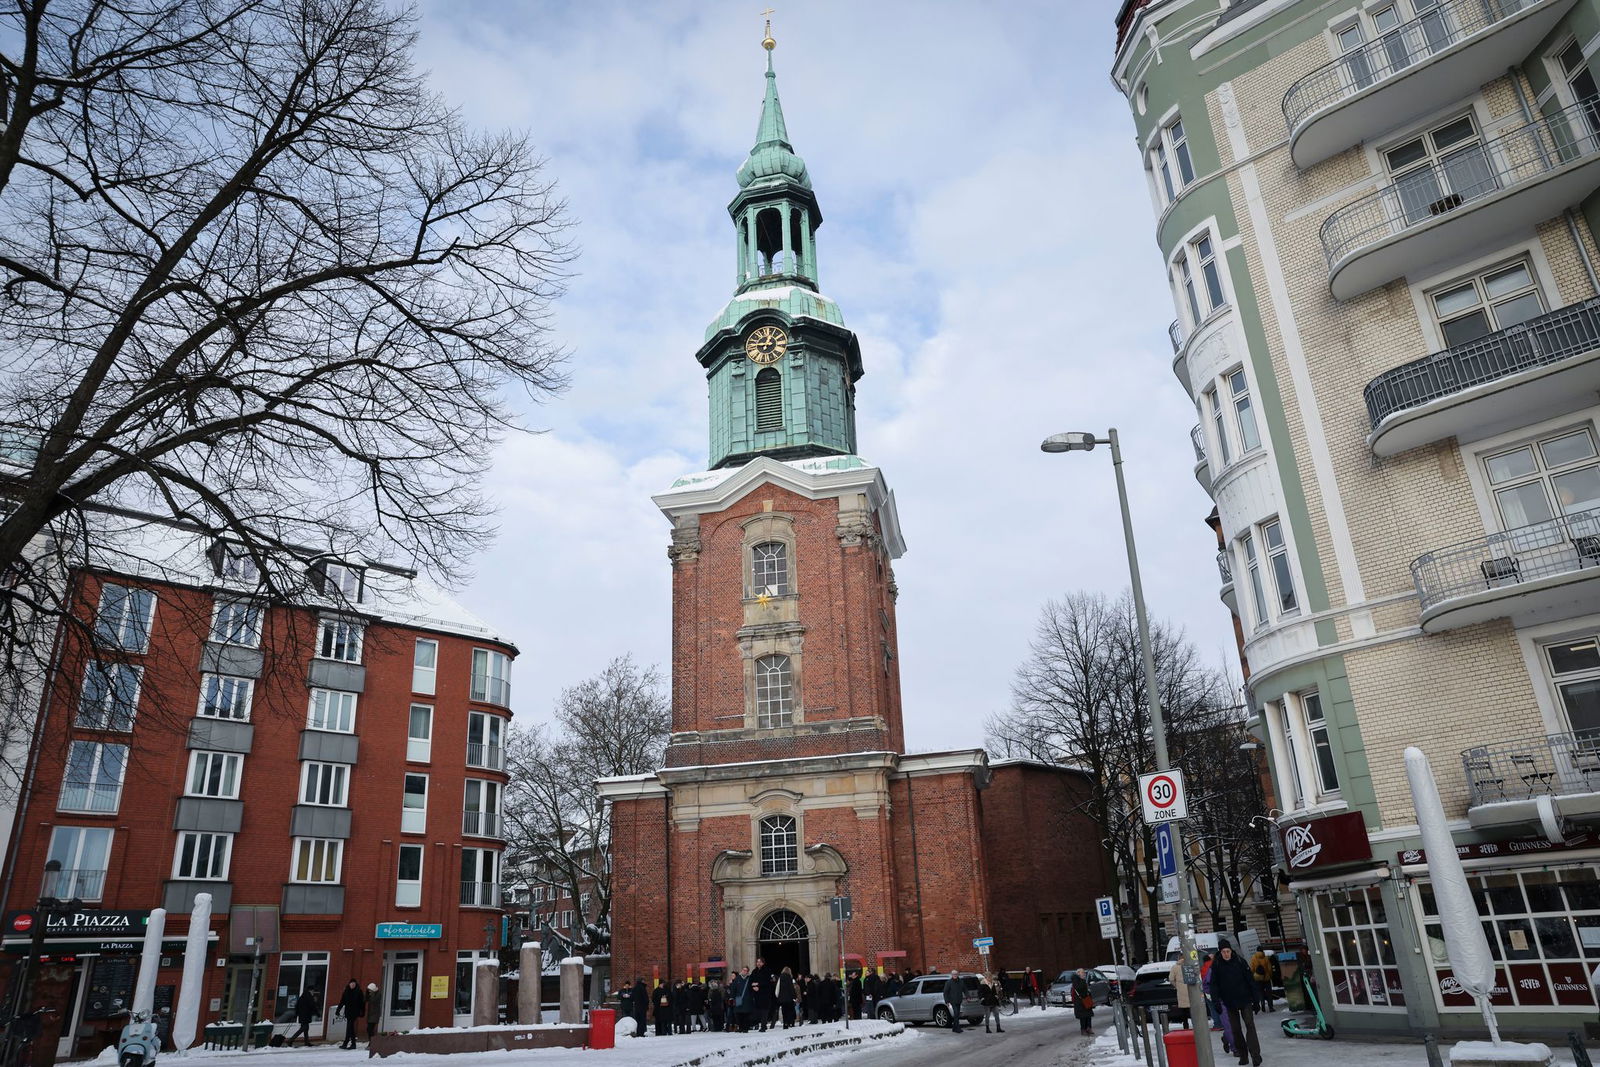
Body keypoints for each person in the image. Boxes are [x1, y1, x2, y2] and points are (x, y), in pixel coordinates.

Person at [1210, 940, 1263, 1067]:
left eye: (1228, 951)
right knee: (1235, 1030)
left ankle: (1256, 1056)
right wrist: (1216, 1001)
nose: (1226, 954)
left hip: (1245, 999)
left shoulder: (1240, 961)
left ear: (1231, 951)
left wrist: (1256, 1000)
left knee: (1250, 1026)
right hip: (1229, 1002)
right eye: (1223, 951)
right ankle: (1243, 1056)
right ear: (1220, 952)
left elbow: (1250, 980)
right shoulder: (1217, 965)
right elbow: (1214, 985)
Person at [336, 979, 365, 1049]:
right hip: (348, 1012)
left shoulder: (359, 991)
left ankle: (346, 1043)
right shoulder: (346, 991)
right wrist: (338, 1010)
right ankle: (353, 1044)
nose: (352, 985)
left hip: (355, 1012)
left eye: (354, 984)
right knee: (351, 1028)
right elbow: (342, 1001)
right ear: (349, 984)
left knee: (349, 1027)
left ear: (356, 984)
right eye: (351, 984)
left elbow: (362, 1003)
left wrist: (362, 1012)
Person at [1069, 967, 1094, 1036]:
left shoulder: (1081, 980)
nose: (1084, 974)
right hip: (1080, 1001)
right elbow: (1080, 989)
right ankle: (1083, 1029)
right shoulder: (1077, 981)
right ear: (1078, 974)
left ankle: (1089, 1028)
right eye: (1082, 972)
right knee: (1083, 1016)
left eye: (1084, 972)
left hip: (1086, 1000)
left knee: (1088, 1015)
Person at [1167, 959, 1191, 1028]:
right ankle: (1197, 1025)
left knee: (1184, 1010)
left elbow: (1171, 979)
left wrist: (1177, 985)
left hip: (1181, 990)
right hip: (1192, 990)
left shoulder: (1175, 967)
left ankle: (1186, 1026)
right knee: (1193, 1009)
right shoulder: (1191, 965)